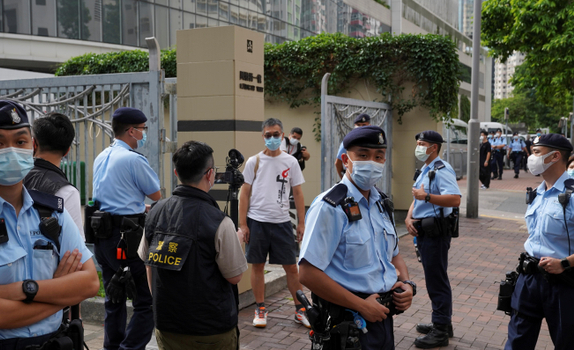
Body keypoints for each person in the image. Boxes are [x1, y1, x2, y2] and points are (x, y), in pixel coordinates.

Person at [0, 100, 99, 349]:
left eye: (20, 141)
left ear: (32, 147)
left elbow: (89, 283)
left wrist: (23, 289)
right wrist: (62, 296)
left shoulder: (52, 212)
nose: (11, 150)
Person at [299, 125, 415, 350]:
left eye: (378, 156)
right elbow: (307, 273)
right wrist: (361, 305)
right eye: (363, 155)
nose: (372, 161)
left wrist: (406, 284)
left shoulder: (382, 203)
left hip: (381, 318)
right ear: (345, 159)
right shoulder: (330, 207)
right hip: (346, 325)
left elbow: (394, 255)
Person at [138, 140, 248, 350]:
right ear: (209, 175)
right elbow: (234, 276)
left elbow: (148, 264)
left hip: (167, 326)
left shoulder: (155, 213)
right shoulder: (219, 222)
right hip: (211, 330)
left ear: (176, 172)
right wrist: (237, 240)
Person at [92, 107, 162, 350]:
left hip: (103, 237)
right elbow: (156, 194)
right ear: (131, 131)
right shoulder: (133, 159)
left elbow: (113, 198)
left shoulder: (102, 156)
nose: (144, 133)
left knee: (114, 297)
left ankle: (112, 347)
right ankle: (129, 348)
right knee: (146, 301)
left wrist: (137, 206)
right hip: (127, 240)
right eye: (142, 129)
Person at [505, 134, 574, 350]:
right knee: (517, 342)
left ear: (555, 156)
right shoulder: (538, 192)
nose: (530, 157)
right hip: (529, 278)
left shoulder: (572, 194)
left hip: (564, 282)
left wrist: (564, 263)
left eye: (536, 152)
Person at [239, 118, 309, 328]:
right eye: (268, 135)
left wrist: (301, 223)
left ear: (283, 135)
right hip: (257, 222)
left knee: (292, 268)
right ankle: (260, 308)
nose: (272, 138)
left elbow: (298, 193)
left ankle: (301, 309)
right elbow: (244, 194)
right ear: (263, 136)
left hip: (282, 223)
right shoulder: (254, 161)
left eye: (276, 134)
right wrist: (243, 224)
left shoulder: (290, 161)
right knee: (257, 266)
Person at [405, 130, 461, 349]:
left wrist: (427, 196)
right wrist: (409, 217)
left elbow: (455, 199)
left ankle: (440, 330)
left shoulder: (441, 170)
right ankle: (443, 323)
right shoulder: (425, 170)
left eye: (421, 144)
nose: (418, 147)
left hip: (436, 233)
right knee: (434, 278)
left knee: (436, 281)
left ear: (433, 147)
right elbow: (416, 198)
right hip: (424, 231)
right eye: (417, 143)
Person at [24, 112, 84, 240]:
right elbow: (75, 245)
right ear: (67, 151)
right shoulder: (67, 192)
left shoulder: (13, 177)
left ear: (34, 144)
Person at [335, 113, 371, 179]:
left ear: (369, 125)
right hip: (353, 178)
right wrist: (343, 179)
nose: (361, 127)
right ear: (355, 126)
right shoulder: (349, 141)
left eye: (364, 125)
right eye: (358, 125)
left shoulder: (372, 141)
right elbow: (338, 163)